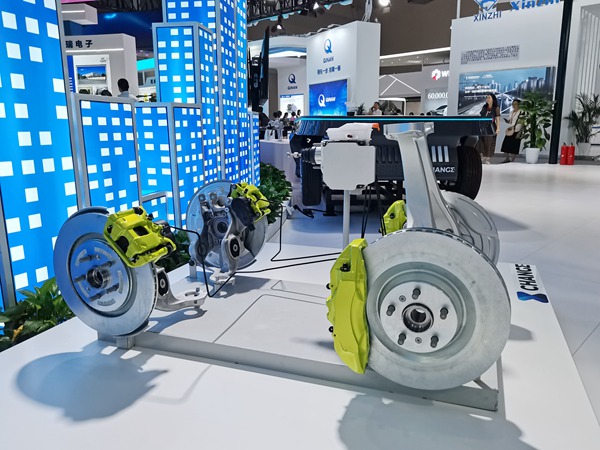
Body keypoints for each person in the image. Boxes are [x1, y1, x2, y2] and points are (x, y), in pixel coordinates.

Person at [478, 93, 500, 165]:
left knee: (490, 143)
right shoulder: (484, 107)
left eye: (489, 98)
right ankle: (482, 156)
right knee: (481, 142)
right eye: (487, 98)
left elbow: (497, 119)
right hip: (483, 126)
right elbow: (481, 116)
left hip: (491, 126)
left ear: (493, 99)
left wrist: (498, 128)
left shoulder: (496, 108)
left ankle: (488, 158)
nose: (487, 99)